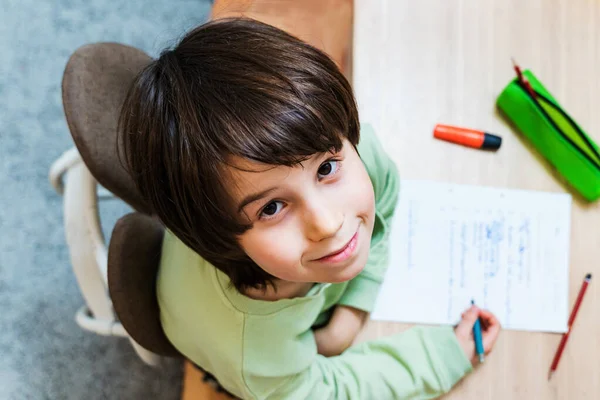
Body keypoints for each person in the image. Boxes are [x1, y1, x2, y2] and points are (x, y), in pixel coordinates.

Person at [117, 18, 501, 399]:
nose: (329, 223)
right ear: (220, 237)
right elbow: (326, 394)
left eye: (326, 169)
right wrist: (441, 357)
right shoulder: (249, 352)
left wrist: (349, 317)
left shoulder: (349, 152)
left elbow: (382, 196)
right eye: (271, 208)